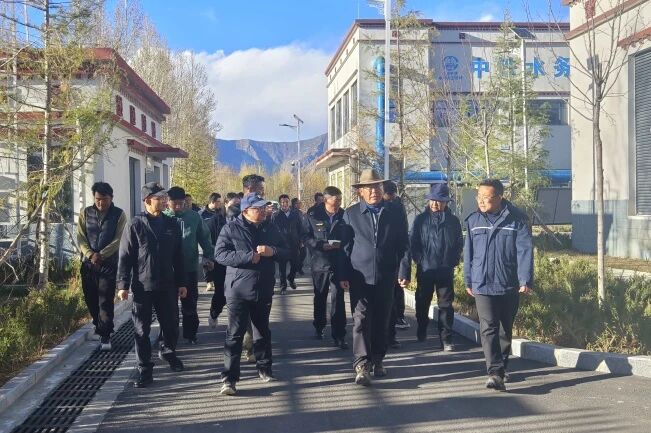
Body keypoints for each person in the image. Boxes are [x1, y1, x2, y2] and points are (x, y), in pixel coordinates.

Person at [338, 169, 410, 386]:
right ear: (360, 191)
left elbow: (404, 245)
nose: (373, 191)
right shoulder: (351, 214)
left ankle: (378, 359)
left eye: (377, 187)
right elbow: (344, 248)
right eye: (368, 188)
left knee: (382, 320)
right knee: (360, 319)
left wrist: (404, 270)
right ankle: (361, 364)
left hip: (386, 275)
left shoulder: (395, 212)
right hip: (359, 276)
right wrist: (343, 274)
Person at [215, 193, 289, 396]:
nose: (263, 211)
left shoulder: (270, 227)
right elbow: (220, 254)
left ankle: (265, 369)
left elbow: (287, 251)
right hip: (238, 289)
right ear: (246, 211)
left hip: (263, 288)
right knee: (235, 334)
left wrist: (273, 251)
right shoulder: (231, 228)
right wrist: (248, 257)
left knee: (262, 330)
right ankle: (229, 379)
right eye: (259, 209)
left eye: (264, 208)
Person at [464, 179, 533, 391]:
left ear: (499, 197)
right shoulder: (474, 220)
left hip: (507, 282)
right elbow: (468, 253)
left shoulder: (517, 220)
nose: (481, 201)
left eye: (486, 197)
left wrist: (525, 279)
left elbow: (524, 251)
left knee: (504, 328)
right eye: (479, 197)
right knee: (488, 327)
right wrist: (468, 279)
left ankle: (501, 367)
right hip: (482, 282)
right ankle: (494, 372)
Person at [117, 182, 186, 388]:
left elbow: (179, 256)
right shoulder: (135, 225)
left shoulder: (172, 224)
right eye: (160, 198)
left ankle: (168, 352)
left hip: (167, 284)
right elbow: (125, 256)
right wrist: (122, 285)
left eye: (165, 197)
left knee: (171, 325)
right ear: (147, 200)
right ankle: (145, 369)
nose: (165, 201)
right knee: (141, 330)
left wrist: (182, 282)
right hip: (143, 285)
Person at [410, 183, 463, 351]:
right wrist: (419, 259)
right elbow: (413, 242)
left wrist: (453, 260)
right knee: (422, 301)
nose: (435, 204)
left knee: (446, 306)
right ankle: (422, 328)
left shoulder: (453, 221)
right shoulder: (421, 219)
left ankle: (446, 338)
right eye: (432, 200)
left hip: (445, 269)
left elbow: (459, 243)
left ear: (446, 202)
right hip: (425, 268)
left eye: (439, 201)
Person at [77, 182, 126, 351]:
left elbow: (118, 239)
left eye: (104, 199)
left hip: (108, 264)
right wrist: (90, 254)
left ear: (111, 198)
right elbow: (81, 237)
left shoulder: (119, 214)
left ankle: (105, 334)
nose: (101, 202)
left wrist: (101, 254)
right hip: (88, 264)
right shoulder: (85, 213)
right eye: (97, 199)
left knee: (105, 300)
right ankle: (99, 326)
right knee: (91, 299)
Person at [164, 186, 215, 345]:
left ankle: (190, 334)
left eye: (181, 203)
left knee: (190, 303)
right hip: (167, 270)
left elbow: (205, 238)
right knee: (167, 305)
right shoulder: (162, 217)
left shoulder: (193, 217)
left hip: (189, 267)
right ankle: (167, 335)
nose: (178, 206)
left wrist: (209, 256)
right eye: (174, 203)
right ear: (168, 202)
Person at [302, 186, 348, 348]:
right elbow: (305, 236)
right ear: (326, 199)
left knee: (338, 299)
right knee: (320, 296)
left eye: (340, 200)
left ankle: (339, 334)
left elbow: (349, 237)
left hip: (339, 263)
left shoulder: (344, 215)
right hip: (320, 262)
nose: (339, 203)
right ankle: (319, 326)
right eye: (336, 200)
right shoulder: (313, 215)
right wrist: (320, 245)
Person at [382, 180, 410, 351]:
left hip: (392, 263)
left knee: (390, 302)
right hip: (371, 265)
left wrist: (404, 268)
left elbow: (404, 241)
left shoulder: (397, 210)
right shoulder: (360, 211)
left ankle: (390, 336)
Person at [272, 194, 302, 293]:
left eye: (286, 202)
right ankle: (283, 285)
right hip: (282, 245)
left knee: (296, 264)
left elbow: (300, 227)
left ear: (289, 203)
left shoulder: (295, 214)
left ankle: (291, 278)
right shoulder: (276, 215)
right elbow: (273, 230)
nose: (284, 204)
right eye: (282, 202)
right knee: (282, 267)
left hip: (294, 244)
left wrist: (301, 240)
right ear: (280, 203)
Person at [199, 192, 224, 293]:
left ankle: (216, 280)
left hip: (218, 239)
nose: (220, 204)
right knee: (207, 261)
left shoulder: (220, 213)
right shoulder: (202, 214)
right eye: (218, 202)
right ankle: (209, 281)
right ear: (212, 202)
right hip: (206, 240)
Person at [292, 197, 307, 275]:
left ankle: (298, 267)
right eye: (298, 203)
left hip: (302, 236)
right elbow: (296, 226)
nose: (300, 204)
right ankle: (297, 268)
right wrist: (300, 239)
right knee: (299, 254)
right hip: (296, 237)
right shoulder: (293, 213)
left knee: (303, 253)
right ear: (294, 204)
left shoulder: (300, 212)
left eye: (300, 203)